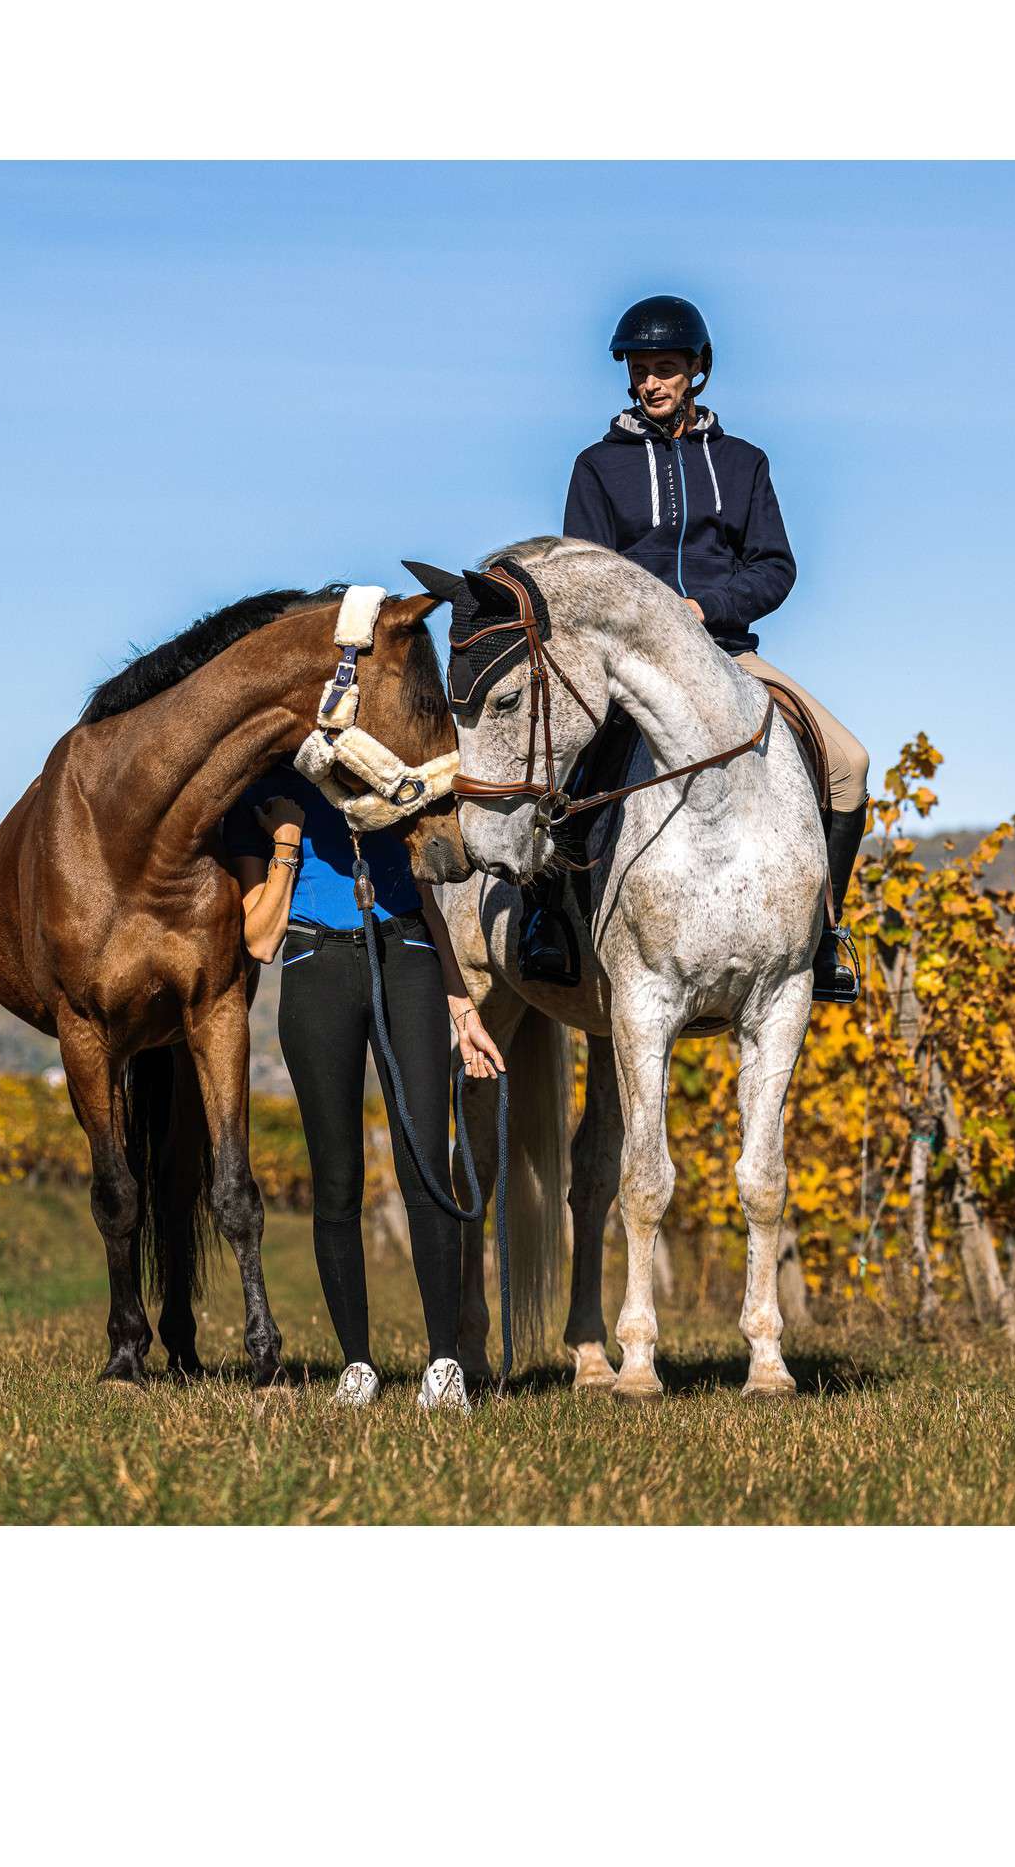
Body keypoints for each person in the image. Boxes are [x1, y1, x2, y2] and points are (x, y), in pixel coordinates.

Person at [562, 293, 870, 999]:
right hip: (632, 662)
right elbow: (585, 571)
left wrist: (709, 607)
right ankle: (548, 926)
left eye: (665, 368)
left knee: (850, 765)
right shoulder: (596, 466)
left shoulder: (743, 463)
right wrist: (646, 625)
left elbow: (774, 566)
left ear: (698, 370)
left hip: (729, 653)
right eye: (640, 370)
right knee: (563, 768)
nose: (650, 383)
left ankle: (822, 940)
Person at [223, 772, 506, 1411]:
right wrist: (288, 840)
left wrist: (463, 1013)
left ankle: (444, 1363)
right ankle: (358, 1363)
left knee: (428, 1165)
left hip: (405, 953)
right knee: (337, 1180)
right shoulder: (262, 799)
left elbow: (428, 904)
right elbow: (261, 939)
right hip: (310, 966)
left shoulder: (386, 773)